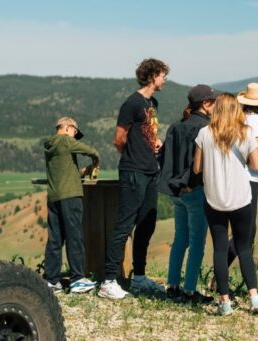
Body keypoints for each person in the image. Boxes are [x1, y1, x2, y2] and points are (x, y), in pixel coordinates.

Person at [193, 93, 258, 315]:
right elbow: (256, 166)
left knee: (219, 248)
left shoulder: (204, 133)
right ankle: (254, 297)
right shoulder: (246, 133)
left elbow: (197, 168)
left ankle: (224, 302)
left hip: (214, 198)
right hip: (240, 198)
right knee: (243, 247)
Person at [99, 58, 169, 299]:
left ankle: (138, 277)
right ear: (151, 76)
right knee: (125, 224)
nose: (165, 80)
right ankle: (108, 281)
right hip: (133, 171)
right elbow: (119, 139)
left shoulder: (152, 103)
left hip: (151, 171)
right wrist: (133, 156)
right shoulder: (131, 103)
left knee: (147, 224)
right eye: (162, 75)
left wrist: (153, 144)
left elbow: (147, 133)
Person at [157, 84, 217, 303]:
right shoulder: (206, 129)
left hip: (176, 191)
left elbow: (166, 160)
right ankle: (190, 290)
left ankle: (172, 285)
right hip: (196, 189)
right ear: (205, 104)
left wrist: (175, 184)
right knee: (197, 242)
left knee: (179, 238)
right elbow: (199, 165)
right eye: (213, 102)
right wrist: (191, 182)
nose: (216, 106)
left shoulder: (175, 127)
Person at [42, 117, 99, 294]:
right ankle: (77, 279)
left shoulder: (50, 145)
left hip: (54, 197)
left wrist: (84, 171)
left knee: (55, 239)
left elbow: (65, 171)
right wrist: (95, 162)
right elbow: (91, 151)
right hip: (71, 196)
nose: (75, 137)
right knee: (75, 236)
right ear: (67, 128)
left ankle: (51, 280)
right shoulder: (66, 141)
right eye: (75, 132)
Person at [225, 82, 258, 267]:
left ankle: (220, 275)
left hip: (234, 177)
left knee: (241, 229)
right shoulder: (257, 120)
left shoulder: (240, 118)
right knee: (247, 231)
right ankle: (224, 276)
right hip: (249, 178)